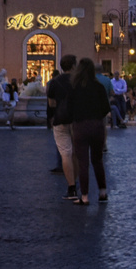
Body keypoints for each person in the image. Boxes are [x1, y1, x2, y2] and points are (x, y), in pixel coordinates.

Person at [66, 58, 112, 204]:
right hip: (97, 125)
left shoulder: (74, 87)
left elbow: (69, 109)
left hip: (80, 126)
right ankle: (102, 192)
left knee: (83, 162)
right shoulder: (98, 87)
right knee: (97, 160)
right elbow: (106, 108)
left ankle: (84, 196)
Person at [47, 55, 78, 198]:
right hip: (77, 119)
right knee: (76, 153)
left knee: (65, 154)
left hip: (60, 119)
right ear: (73, 66)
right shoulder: (79, 81)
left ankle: (71, 188)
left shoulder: (54, 82)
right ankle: (80, 184)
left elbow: (51, 104)